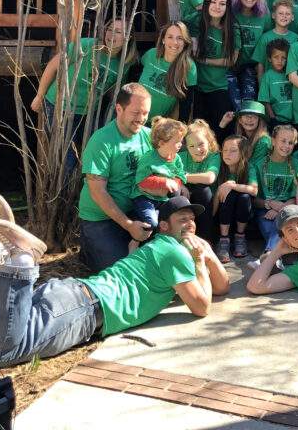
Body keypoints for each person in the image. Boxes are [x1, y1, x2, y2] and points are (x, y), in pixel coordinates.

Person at [0, 194, 227, 369]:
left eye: (193, 221)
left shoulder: (159, 248)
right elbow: (202, 306)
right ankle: (22, 263)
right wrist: (200, 260)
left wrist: (207, 252)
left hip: (70, 294)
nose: (190, 224)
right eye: (183, 220)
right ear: (165, 227)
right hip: (83, 310)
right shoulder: (174, 252)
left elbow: (222, 286)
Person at [30, 19, 131, 177]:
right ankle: (64, 198)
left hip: (88, 112)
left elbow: (113, 91)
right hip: (60, 106)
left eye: (118, 32)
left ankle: (83, 194)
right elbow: (53, 66)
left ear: (128, 37)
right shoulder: (86, 45)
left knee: (91, 152)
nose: (111, 35)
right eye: (110, 29)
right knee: (67, 158)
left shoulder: (124, 62)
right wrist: (39, 95)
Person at [76, 83, 153, 272]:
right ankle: (90, 250)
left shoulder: (149, 136)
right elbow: (97, 191)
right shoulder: (101, 140)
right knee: (120, 272)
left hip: (136, 210)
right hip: (101, 218)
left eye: (145, 113)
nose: (141, 119)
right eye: (136, 113)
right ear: (119, 108)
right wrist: (128, 225)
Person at [192, 0, 241, 135]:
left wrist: (205, 60)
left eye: (222, 4)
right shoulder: (196, 20)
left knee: (222, 129)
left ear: (227, 7)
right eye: (213, 2)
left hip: (218, 86)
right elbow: (192, 49)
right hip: (196, 86)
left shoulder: (232, 29)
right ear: (206, 3)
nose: (217, 7)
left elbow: (231, 60)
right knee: (198, 132)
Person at [129, 117, 188, 233]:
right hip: (144, 198)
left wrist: (176, 182)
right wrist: (164, 182)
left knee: (169, 221)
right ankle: (135, 239)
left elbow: (181, 175)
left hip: (163, 198)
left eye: (181, 141)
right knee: (153, 223)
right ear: (162, 143)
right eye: (177, 142)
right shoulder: (148, 159)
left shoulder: (176, 158)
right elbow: (141, 181)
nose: (181, 144)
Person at [251, 124, 298, 252]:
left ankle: (269, 254)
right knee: (268, 227)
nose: (286, 146)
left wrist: (280, 210)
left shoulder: (297, 165)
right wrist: (270, 204)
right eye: (283, 141)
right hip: (265, 209)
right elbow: (254, 199)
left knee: (284, 224)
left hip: (289, 208)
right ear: (273, 141)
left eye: (291, 143)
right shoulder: (259, 165)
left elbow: (297, 197)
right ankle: (276, 255)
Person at [139, 22, 197, 123]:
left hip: (157, 126)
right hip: (133, 116)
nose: (175, 42)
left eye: (180, 38)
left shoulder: (189, 67)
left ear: (185, 42)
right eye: (170, 37)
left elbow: (186, 106)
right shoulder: (151, 54)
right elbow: (133, 79)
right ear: (163, 40)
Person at [214, 135, 257, 262]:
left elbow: (254, 190)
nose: (227, 154)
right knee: (228, 194)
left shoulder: (249, 167)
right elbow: (216, 195)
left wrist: (232, 185)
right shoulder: (219, 166)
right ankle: (224, 239)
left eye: (233, 150)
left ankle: (240, 237)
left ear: (243, 153)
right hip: (222, 213)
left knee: (244, 196)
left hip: (242, 214)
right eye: (225, 150)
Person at [228, 0, 268, 109]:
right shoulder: (229, 12)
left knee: (248, 106)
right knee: (234, 105)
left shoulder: (264, 16)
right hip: (229, 65)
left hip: (251, 67)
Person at [179, 120, 222, 238]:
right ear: (186, 147)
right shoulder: (181, 157)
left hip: (206, 203)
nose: (197, 150)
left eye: (201, 144)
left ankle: (206, 237)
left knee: (203, 190)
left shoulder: (213, 156)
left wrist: (182, 177)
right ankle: (178, 237)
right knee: (176, 191)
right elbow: (170, 175)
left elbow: (209, 178)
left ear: (209, 142)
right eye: (191, 146)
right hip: (187, 197)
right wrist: (180, 184)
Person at [251, 0, 298, 79]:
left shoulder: (296, 38)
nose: (284, 16)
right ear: (273, 15)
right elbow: (260, 65)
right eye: (280, 13)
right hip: (270, 84)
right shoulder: (265, 38)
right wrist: (261, 86)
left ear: (292, 17)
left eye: (287, 14)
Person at [219, 100, 272, 167]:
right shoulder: (239, 137)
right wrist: (223, 122)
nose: (249, 119)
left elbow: (252, 166)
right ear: (240, 120)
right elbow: (218, 146)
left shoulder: (264, 141)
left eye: (254, 116)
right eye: (246, 115)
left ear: (259, 121)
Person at [258, 38, 294, 125]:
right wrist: (272, 118)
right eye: (276, 57)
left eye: (283, 58)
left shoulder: (291, 74)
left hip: (293, 120)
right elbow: (265, 100)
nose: (279, 61)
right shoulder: (267, 76)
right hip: (276, 120)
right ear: (269, 59)